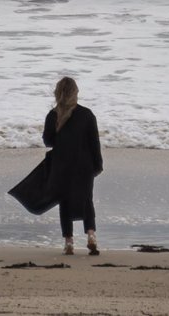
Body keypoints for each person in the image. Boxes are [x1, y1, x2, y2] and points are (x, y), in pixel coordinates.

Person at [42, 77, 103, 256]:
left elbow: (48, 141)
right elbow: (94, 143)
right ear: (75, 92)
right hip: (84, 165)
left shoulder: (53, 115)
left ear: (57, 93)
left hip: (61, 165)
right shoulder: (87, 114)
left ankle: (69, 242)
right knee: (86, 200)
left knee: (65, 202)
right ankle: (91, 235)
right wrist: (98, 164)